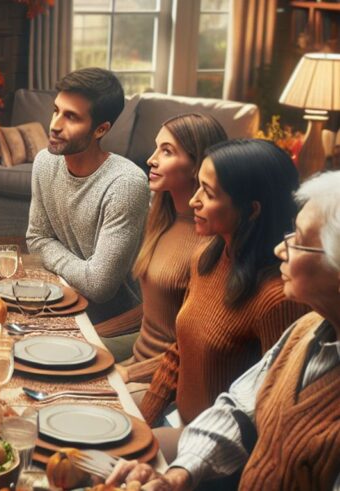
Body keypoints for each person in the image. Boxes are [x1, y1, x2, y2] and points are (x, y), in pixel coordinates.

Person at [107, 170, 340, 490]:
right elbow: (239, 408)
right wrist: (179, 474)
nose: (280, 250)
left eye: (299, 241)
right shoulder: (306, 329)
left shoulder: (279, 304)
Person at [139, 140, 310, 455]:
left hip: (219, 452)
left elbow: (270, 415)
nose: (193, 200)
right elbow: (179, 354)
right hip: (178, 420)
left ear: (252, 210)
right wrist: (143, 421)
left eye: (209, 193)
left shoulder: (279, 299)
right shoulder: (206, 255)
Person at [25, 67, 150, 360]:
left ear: (101, 129)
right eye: (56, 111)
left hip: (113, 322)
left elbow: (100, 286)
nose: (55, 125)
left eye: (72, 117)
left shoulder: (125, 183)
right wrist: (81, 268)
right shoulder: (45, 162)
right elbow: (35, 238)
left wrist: (51, 253)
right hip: (61, 302)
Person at [122, 114, 228, 392]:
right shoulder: (161, 218)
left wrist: (130, 373)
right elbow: (153, 309)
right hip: (136, 360)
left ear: (198, 165)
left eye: (167, 151)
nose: (152, 159)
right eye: (157, 148)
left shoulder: (208, 242)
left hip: (164, 382)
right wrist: (95, 334)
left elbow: (190, 350)